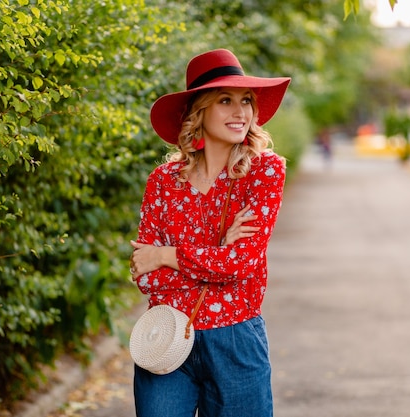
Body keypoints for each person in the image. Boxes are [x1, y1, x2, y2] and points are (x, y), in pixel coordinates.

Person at [129, 48, 290, 417]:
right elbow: (146, 277)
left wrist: (167, 255)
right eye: (225, 100)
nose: (241, 112)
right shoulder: (163, 182)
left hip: (235, 342)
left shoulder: (264, 172)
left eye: (246, 101)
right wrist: (216, 252)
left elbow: (241, 264)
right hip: (166, 337)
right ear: (198, 112)